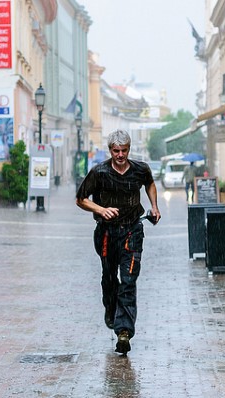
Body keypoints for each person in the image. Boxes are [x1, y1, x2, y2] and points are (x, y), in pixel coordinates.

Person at [76, 130, 160, 355]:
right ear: (110, 150)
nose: (120, 155)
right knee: (109, 277)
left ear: (129, 149)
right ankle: (110, 309)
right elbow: (80, 199)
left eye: (124, 151)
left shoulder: (140, 169)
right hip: (106, 233)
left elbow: (150, 183)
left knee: (129, 279)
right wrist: (101, 209)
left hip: (133, 230)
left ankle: (124, 332)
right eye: (116, 151)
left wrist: (154, 206)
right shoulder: (99, 172)